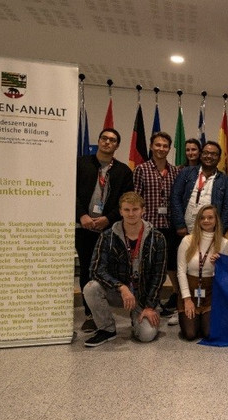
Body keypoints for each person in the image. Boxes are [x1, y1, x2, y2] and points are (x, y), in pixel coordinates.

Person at [83, 192, 167, 347]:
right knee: (91, 288)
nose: (131, 214)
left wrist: (149, 306)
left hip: (142, 295)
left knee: (146, 335)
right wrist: (121, 287)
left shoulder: (157, 238)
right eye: (126, 210)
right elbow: (96, 269)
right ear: (120, 211)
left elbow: (159, 275)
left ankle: (139, 319)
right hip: (119, 293)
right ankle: (107, 329)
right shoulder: (107, 236)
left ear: (143, 210)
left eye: (135, 209)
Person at [76, 128, 134, 332]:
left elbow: (126, 201)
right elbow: (69, 191)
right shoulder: (81, 163)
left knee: (107, 269)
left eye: (112, 140)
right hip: (82, 226)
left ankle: (107, 308)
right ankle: (91, 314)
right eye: (104, 138)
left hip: (110, 229)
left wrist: (107, 218)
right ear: (99, 141)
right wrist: (81, 215)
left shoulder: (123, 171)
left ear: (117, 145)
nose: (108, 142)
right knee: (86, 269)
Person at [133, 131, 182, 323]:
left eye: (165, 146)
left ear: (169, 148)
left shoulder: (176, 172)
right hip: (149, 228)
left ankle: (176, 300)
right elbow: (136, 198)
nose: (161, 149)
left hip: (171, 227)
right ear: (152, 146)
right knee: (151, 267)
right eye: (158, 145)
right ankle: (148, 302)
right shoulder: (141, 170)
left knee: (171, 265)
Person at [176, 204, 228, 340]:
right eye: (202, 218)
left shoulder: (224, 243)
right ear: (198, 220)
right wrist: (187, 299)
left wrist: (218, 266)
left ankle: (205, 316)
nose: (206, 221)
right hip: (190, 292)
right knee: (190, 334)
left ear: (216, 220)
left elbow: (226, 276)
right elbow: (180, 271)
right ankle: (186, 313)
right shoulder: (187, 240)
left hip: (211, 292)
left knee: (209, 333)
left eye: (210, 217)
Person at [170, 141, 228, 237]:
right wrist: (179, 225)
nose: (209, 156)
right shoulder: (186, 172)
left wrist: (220, 232)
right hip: (185, 230)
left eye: (213, 154)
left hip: (211, 232)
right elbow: (175, 197)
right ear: (200, 155)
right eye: (206, 153)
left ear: (219, 158)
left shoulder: (226, 181)